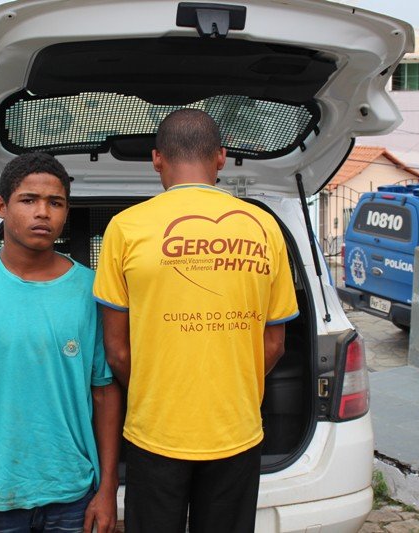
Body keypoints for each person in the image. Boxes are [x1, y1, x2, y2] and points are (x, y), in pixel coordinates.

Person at [93, 109, 299, 533]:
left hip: (155, 431)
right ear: (221, 157)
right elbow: (275, 344)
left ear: (156, 158)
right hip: (236, 429)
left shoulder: (125, 228)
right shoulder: (264, 227)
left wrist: (156, 389)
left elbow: (116, 350)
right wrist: (232, 386)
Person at [0, 152, 122, 533]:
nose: (43, 212)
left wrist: (107, 489)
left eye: (56, 203)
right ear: (2, 206)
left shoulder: (91, 291)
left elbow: (104, 393)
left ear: (66, 212)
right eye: (29, 200)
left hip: (74, 494)